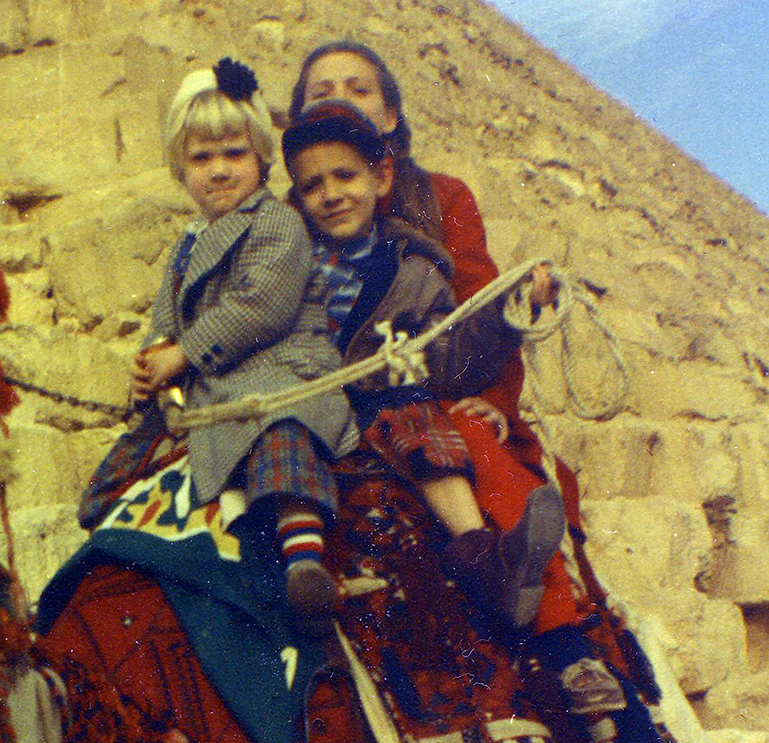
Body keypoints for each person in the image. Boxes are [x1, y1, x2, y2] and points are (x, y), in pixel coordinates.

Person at [290, 41, 671, 743]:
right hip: (320, 400)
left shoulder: (442, 199)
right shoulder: (288, 226)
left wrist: (496, 394)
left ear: (392, 118)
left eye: (359, 87)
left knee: (489, 460)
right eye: (320, 91)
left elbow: (474, 302)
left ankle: (570, 652)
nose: (340, 97)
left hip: (437, 387)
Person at [98, 58, 362, 630]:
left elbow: (259, 307)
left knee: (282, 430)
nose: (219, 171)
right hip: (213, 388)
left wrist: (184, 355)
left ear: (263, 157)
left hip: (282, 368)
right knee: (122, 477)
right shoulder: (187, 246)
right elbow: (167, 318)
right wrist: (152, 362)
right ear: (180, 168)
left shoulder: (275, 224)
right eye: (201, 158)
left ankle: (304, 560)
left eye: (234, 154)